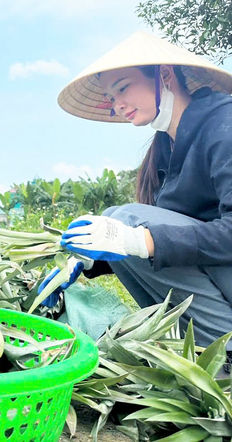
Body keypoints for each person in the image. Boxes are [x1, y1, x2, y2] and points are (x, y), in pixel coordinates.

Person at [40, 31, 232, 354]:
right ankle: (201, 348)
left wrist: (138, 239)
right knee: (115, 219)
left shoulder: (223, 124)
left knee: (125, 219)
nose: (118, 105)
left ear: (165, 75)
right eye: (111, 98)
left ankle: (224, 350)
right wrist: (90, 261)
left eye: (123, 88)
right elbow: (172, 245)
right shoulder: (164, 149)